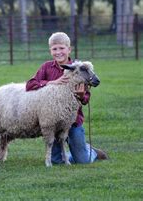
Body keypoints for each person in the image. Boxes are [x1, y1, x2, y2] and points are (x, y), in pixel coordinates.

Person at [26, 32, 109, 164]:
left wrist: (82, 96)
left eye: (62, 48)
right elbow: (30, 85)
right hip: (53, 121)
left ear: (69, 49)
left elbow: (86, 98)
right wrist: (50, 82)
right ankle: (71, 151)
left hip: (73, 121)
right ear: (50, 51)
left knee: (82, 161)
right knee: (56, 161)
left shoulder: (80, 69)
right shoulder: (47, 67)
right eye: (55, 49)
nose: (58, 52)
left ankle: (89, 151)